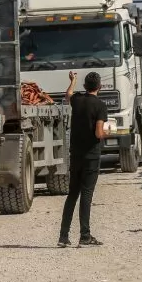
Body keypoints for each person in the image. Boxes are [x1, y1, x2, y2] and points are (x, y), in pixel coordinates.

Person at [59, 71, 106, 248]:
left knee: (72, 195)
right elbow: (98, 133)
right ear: (100, 87)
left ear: (85, 86)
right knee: (86, 195)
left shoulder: (77, 100)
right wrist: (108, 132)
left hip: (76, 155)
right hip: (91, 156)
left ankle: (63, 236)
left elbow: (68, 94)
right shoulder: (100, 105)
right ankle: (85, 235)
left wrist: (73, 80)